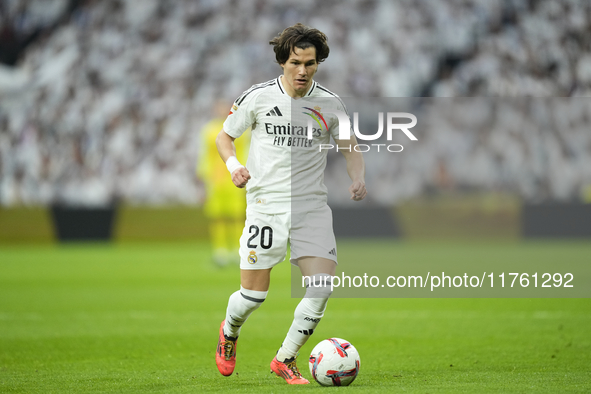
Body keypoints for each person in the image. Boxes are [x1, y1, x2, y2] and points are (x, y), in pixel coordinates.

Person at [214, 23, 367, 385]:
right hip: (266, 206)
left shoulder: (329, 103)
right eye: (296, 62)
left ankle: (285, 358)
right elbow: (225, 137)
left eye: (310, 63)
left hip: (311, 207)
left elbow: (351, 148)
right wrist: (234, 166)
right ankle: (229, 331)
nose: (303, 70)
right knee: (253, 296)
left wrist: (358, 176)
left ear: (318, 63)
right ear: (283, 61)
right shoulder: (258, 97)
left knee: (322, 286)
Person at [197, 100, 249, 266]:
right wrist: (203, 175)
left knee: (236, 216)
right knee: (217, 217)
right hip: (216, 180)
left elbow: (246, 151)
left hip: (234, 178)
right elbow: (205, 155)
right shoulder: (209, 129)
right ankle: (220, 251)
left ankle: (237, 251)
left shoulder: (241, 128)